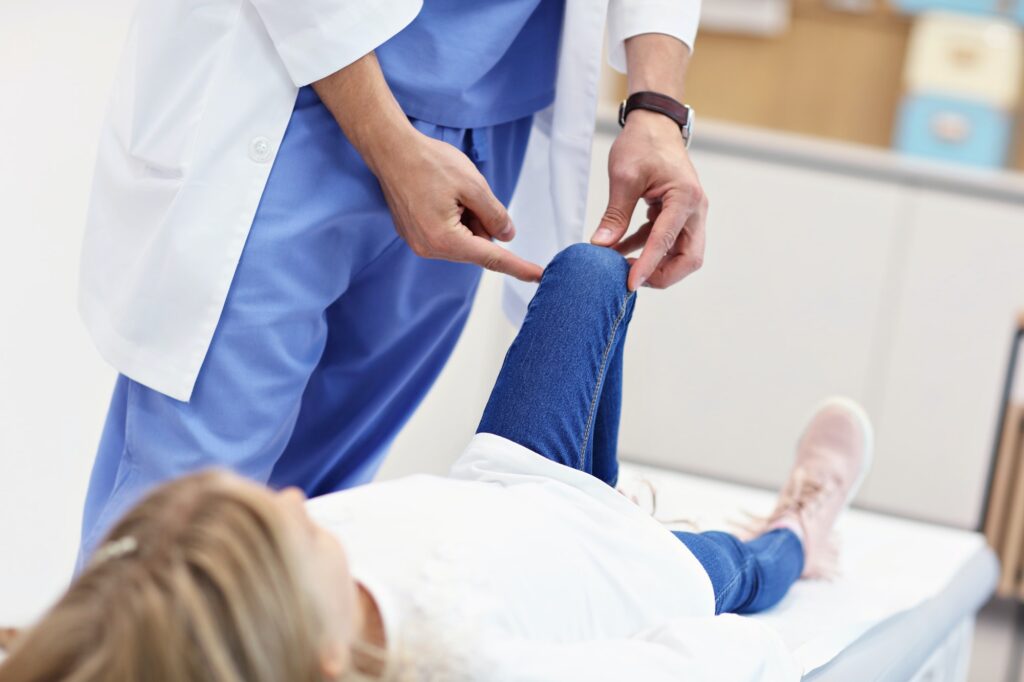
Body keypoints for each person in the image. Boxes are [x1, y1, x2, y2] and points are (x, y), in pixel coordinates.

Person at [3, 245, 870, 681]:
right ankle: (803, 526)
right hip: (636, 569)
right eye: (295, 523)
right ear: (322, 651)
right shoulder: (465, 661)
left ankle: (648, 501)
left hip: (516, 475)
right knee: (749, 571)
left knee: (591, 269)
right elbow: (712, 660)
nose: (304, 497)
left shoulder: (267, 600)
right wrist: (693, 593)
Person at [77, 0, 709, 568]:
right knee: (178, 528)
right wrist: (387, 142)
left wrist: (656, 104)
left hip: (490, 121)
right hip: (301, 81)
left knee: (311, 523)